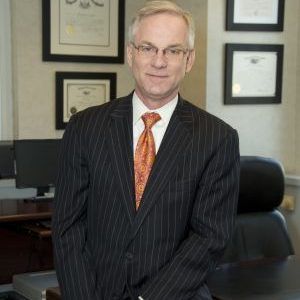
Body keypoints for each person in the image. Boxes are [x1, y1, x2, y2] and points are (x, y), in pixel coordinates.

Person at [52, 1, 240, 299]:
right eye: (148, 48)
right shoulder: (85, 127)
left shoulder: (218, 138)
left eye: (173, 50)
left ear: (189, 60)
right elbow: (67, 227)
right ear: (131, 54)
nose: (159, 61)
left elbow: (209, 237)